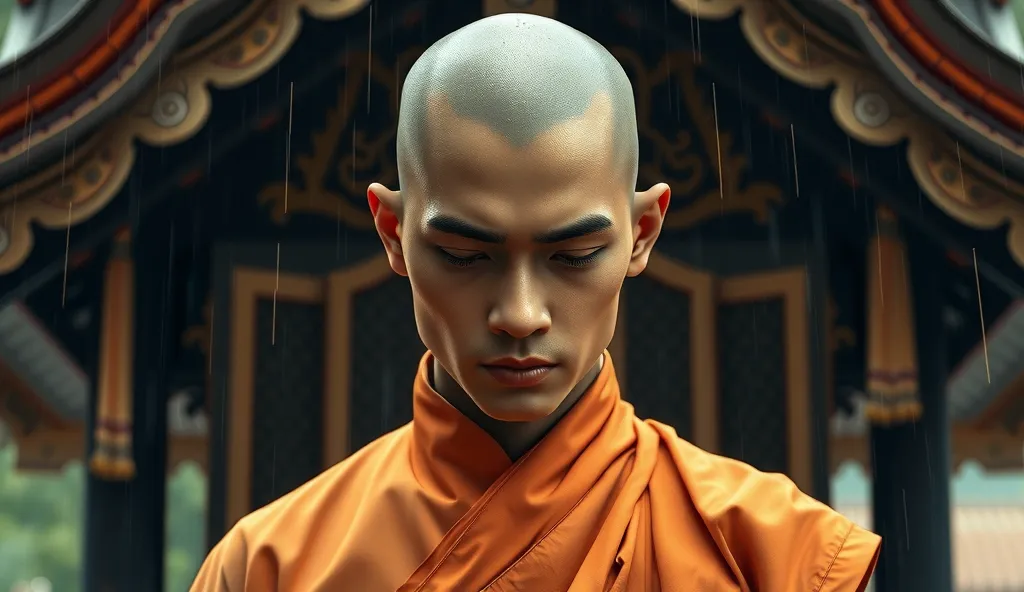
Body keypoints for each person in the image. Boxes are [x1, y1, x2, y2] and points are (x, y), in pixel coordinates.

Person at [191, 13, 880, 591]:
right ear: (393, 233)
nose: (520, 315)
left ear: (641, 233)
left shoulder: (771, 557)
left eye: (573, 256)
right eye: (465, 255)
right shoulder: (270, 567)